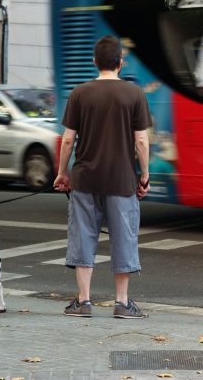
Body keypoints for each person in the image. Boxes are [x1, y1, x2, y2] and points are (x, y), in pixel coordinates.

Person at [54, 35, 151, 319]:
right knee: (124, 237)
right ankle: (122, 303)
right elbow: (142, 141)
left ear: (95, 61)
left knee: (83, 237)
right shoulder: (135, 94)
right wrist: (144, 176)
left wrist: (63, 173)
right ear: (120, 63)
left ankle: (83, 302)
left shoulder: (80, 93)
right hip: (122, 180)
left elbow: (68, 140)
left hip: (85, 178)